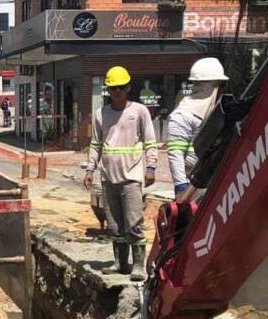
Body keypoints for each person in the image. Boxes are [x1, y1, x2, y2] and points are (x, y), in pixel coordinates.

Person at [83, 66, 157, 282]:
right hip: (108, 177)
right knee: (115, 224)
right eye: (113, 88)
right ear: (108, 89)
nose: (117, 91)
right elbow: (95, 144)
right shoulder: (101, 114)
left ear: (128, 88)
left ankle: (138, 265)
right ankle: (120, 263)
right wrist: (90, 170)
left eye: (121, 88)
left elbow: (151, 142)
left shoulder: (139, 112)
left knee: (134, 222)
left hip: (131, 177)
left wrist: (151, 167)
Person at [166, 57, 227, 203]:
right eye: (220, 85)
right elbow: (176, 153)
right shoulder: (183, 114)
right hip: (193, 183)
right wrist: (181, 188)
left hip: (214, 178)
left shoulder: (217, 112)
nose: (222, 89)